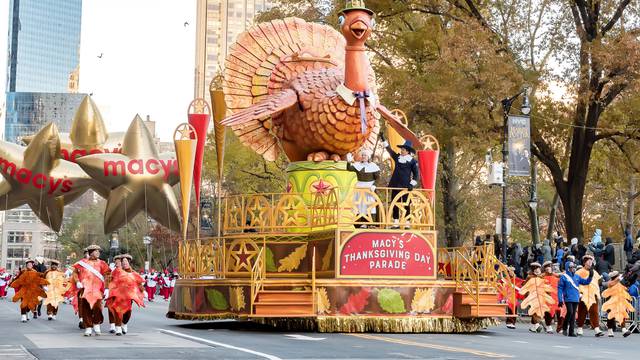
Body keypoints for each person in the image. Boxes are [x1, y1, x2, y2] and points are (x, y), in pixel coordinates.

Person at [380, 133, 419, 228]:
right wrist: (383, 139)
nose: (401, 150)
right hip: (395, 184)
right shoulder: (397, 157)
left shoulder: (412, 161)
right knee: (394, 203)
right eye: (401, 149)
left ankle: (407, 223)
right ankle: (396, 222)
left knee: (406, 204)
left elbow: (416, 175)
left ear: (408, 151)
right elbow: (390, 151)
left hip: (406, 186)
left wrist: (412, 184)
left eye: (403, 149)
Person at [72, 244, 111, 336]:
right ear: (90, 252)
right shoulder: (82, 263)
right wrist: (77, 281)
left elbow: (108, 275)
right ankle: (88, 327)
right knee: (85, 308)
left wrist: (107, 287)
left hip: (98, 290)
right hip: (85, 289)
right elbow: (75, 273)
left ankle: (96, 323)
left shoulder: (102, 263)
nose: (98, 253)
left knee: (97, 307)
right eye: (95, 251)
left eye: (98, 251)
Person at [106, 254, 145, 336]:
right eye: (122, 261)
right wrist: (107, 289)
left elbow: (138, 283)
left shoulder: (133, 273)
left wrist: (143, 291)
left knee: (128, 312)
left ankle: (124, 323)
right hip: (118, 296)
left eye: (126, 261)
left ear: (129, 262)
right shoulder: (117, 271)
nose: (124, 263)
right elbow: (109, 279)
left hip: (129, 297)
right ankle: (118, 327)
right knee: (118, 311)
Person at [558, 261, 594, 336]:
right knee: (570, 312)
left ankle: (571, 332)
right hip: (568, 297)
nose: (573, 269)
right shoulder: (564, 277)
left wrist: (590, 276)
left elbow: (586, 282)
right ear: (568, 268)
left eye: (574, 267)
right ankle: (564, 327)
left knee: (573, 315)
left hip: (576, 298)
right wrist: (560, 300)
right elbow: (560, 288)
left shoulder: (577, 276)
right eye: (571, 267)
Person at [346, 149, 380, 226]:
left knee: (370, 205)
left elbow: (378, 178)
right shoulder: (358, 165)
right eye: (363, 155)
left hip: (369, 188)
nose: (364, 156)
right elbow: (349, 168)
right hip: (359, 187)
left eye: (365, 155)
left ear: (368, 157)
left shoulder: (373, 166)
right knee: (360, 205)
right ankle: (361, 224)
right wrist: (348, 160)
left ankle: (371, 224)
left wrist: (374, 185)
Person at [575, 255, 604, 337]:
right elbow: (576, 282)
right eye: (588, 261)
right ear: (584, 262)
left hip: (593, 294)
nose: (590, 262)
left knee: (594, 311)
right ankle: (580, 328)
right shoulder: (579, 272)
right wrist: (579, 292)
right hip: (583, 294)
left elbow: (598, 281)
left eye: (591, 261)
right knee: (582, 311)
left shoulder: (595, 272)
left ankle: (597, 329)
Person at [521, 262, 546, 332]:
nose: (537, 270)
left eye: (538, 269)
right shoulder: (531, 277)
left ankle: (536, 325)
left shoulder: (540, 277)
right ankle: (536, 325)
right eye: (535, 269)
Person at [542, 261, 561, 333]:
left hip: (556, 296)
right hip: (547, 297)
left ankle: (559, 327)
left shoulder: (556, 276)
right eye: (546, 268)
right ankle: (548, 326)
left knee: (559, 312)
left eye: (549, 267)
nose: (548, 269)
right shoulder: (542, 277)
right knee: (548, 312)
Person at [107, 255, 123, 334]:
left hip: (121, 294)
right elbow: (107, 280)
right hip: (112, 293)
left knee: (119, 310)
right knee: (110, 309)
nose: (117, 263)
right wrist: (106, 289)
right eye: (116, 262)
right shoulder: (112, 271)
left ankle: (119, 327)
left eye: (119, 262)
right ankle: (112, 326)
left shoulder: (125, 271)